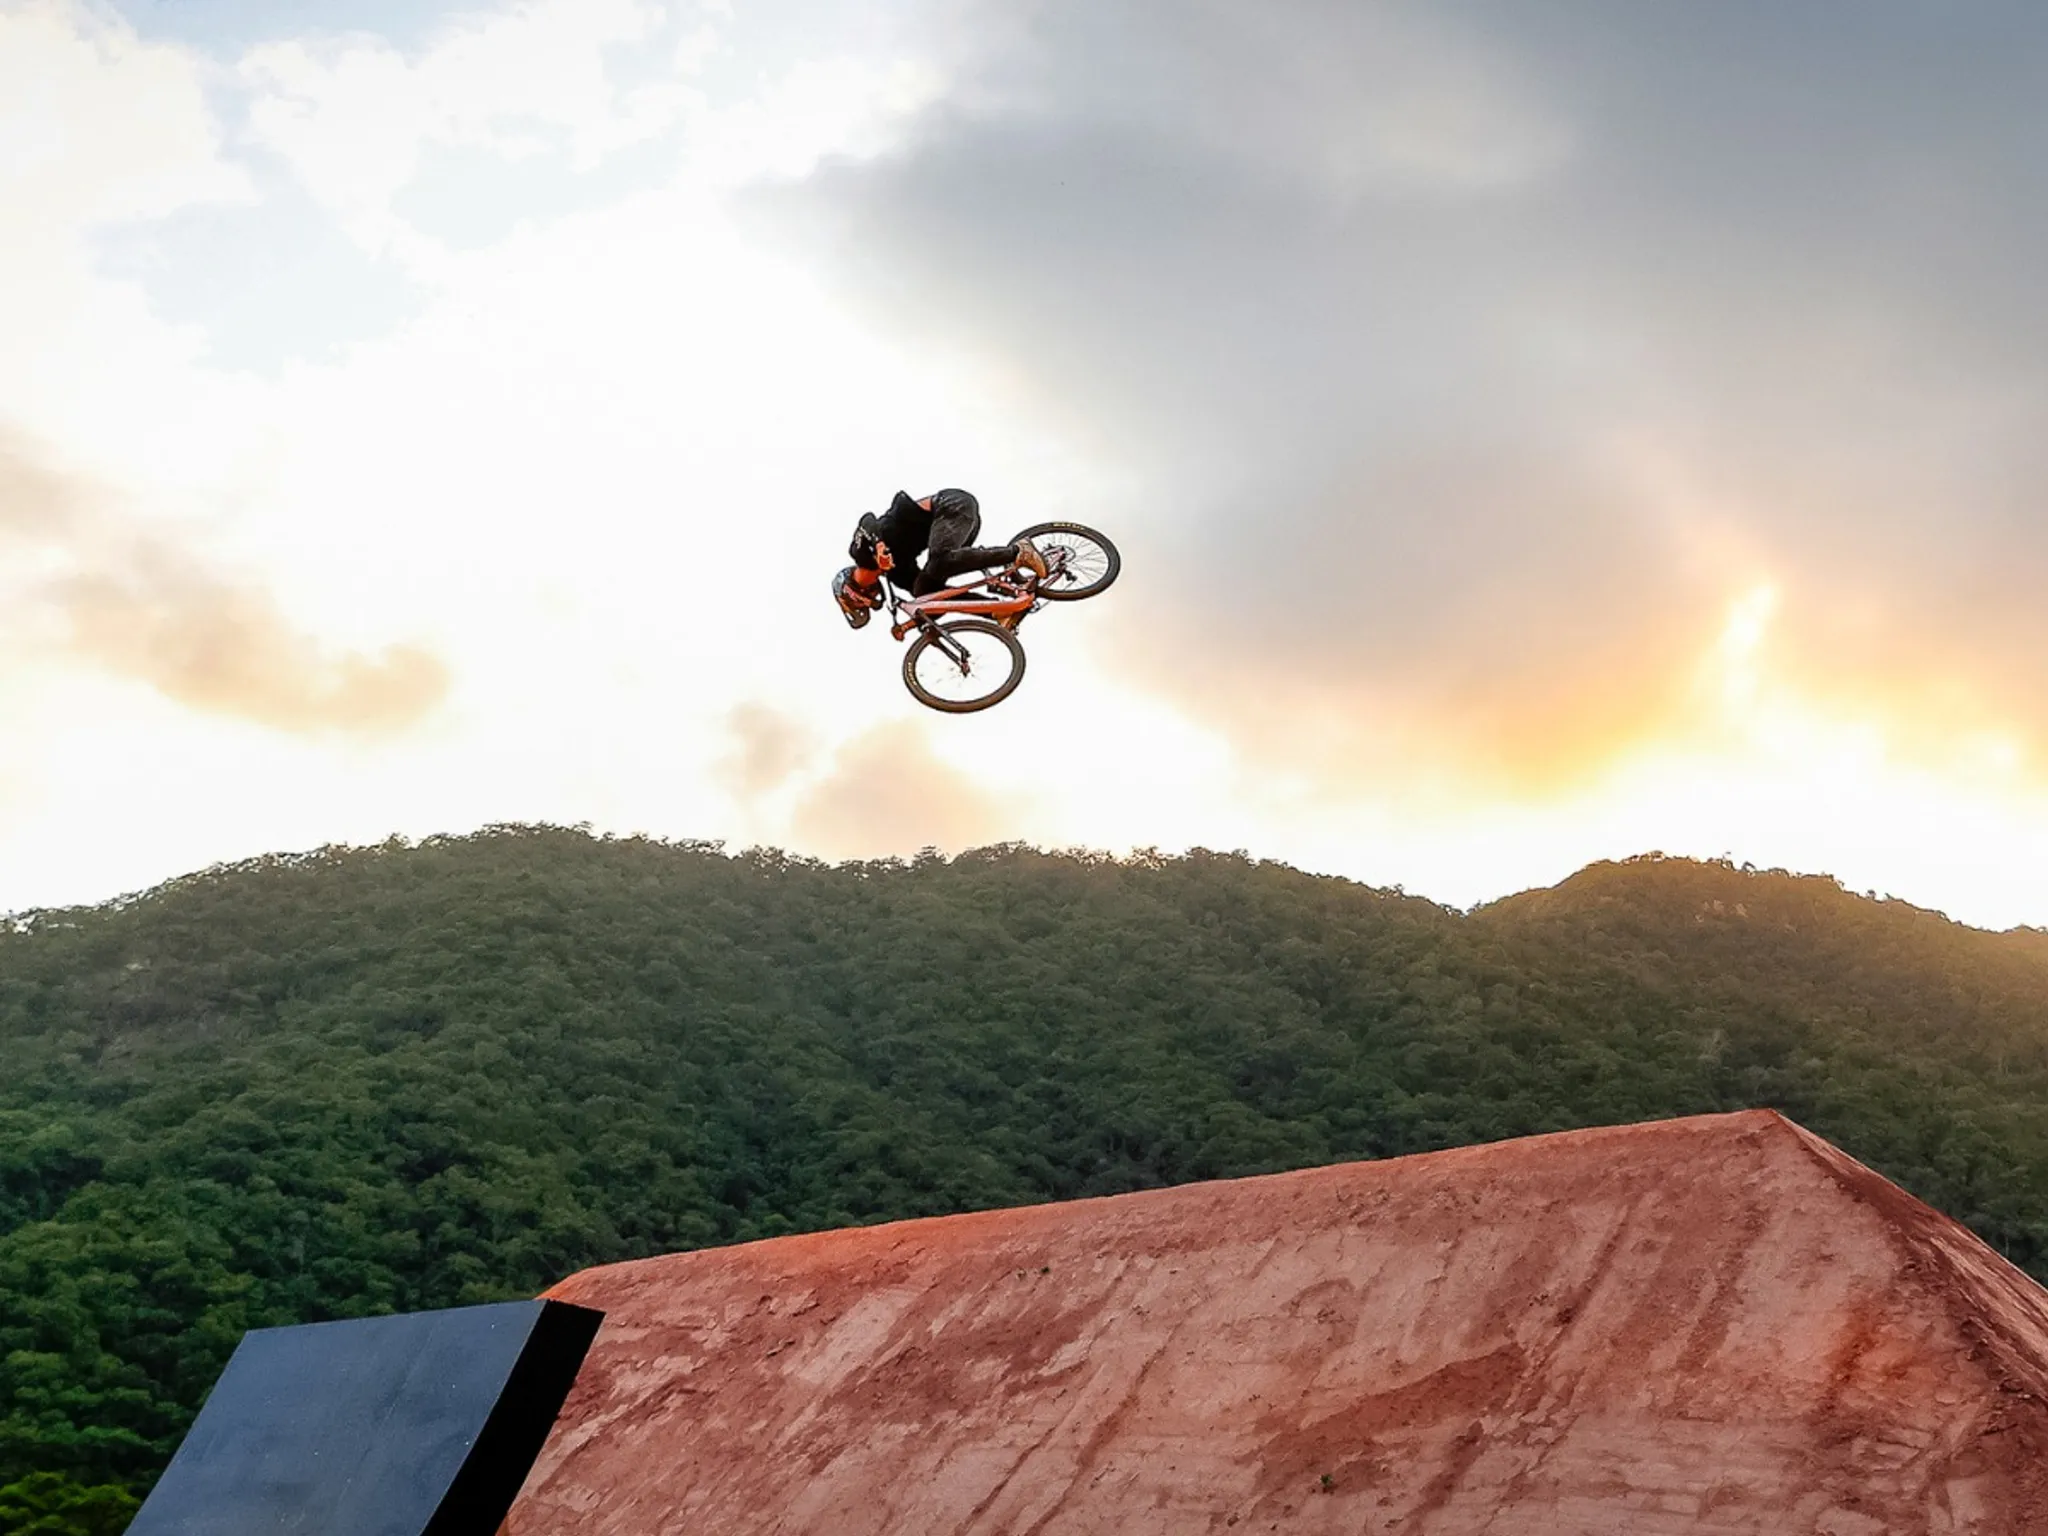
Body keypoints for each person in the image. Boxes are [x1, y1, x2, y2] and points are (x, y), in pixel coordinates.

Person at [833, 489, 1045, 628]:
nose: (871, 599)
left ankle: (1018, 552)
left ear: (852, 592)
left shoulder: (860, 552)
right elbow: (931, 601)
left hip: (950, 506)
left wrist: (879, 546)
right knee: (925, 591)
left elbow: (867, 520)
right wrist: (909, 626)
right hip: (953, 530)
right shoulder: (896, 575)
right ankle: (996, 611)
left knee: (940, 560)